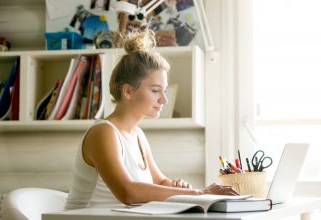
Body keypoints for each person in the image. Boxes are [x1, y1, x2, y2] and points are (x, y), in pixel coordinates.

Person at [64, 30, 238, 210]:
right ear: (128, 91)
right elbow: (128, 192)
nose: (164, 99)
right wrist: (200, 194)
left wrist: (177, 187)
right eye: (156, 90)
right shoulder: (103, 132)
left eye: (164, 90)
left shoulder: (138, 135)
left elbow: (160, 181)